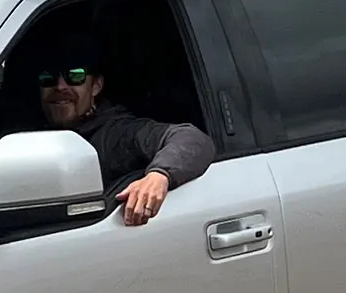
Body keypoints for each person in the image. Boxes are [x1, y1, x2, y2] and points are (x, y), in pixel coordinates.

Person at [30, 29, 213, 227]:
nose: (60, 87)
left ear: (96, 86)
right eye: (48, 78)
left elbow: (191, 138)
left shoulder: (116, 133)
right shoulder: (23, 131)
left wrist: (159, 176)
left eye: (75, 76)